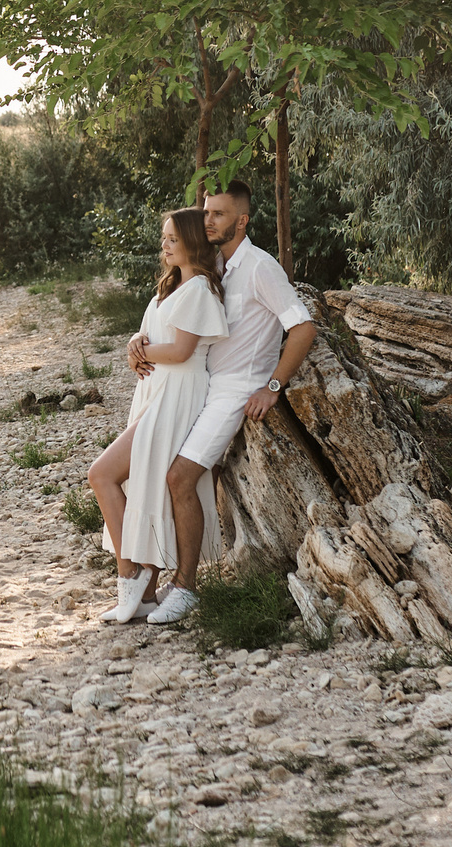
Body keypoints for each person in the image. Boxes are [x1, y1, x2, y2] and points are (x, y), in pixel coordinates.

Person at [124, 182, 318, 625]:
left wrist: (273, 386)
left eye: (217, 214)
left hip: (234, 390)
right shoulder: (214, 264)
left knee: (180, 476)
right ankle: (150, 585)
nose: (207, 220)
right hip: (200, 386)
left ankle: (187, 586)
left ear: (242, 221)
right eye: (206, 212)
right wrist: (140, 338)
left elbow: (302, 327)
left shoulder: (259, 267)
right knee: (159, 471)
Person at [84, 208, 227, 623]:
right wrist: (134, 343)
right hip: (154, 393)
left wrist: (142, 352)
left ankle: (133, 572)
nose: (163, 246)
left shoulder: (200, 288)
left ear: (191, 243)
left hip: (178, 396)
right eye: (163, 238)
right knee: (135, 481)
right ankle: (143, 591)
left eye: (171, 239)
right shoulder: (170, 287)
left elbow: (182, 351)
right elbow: (152, 333)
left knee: (102, 473)